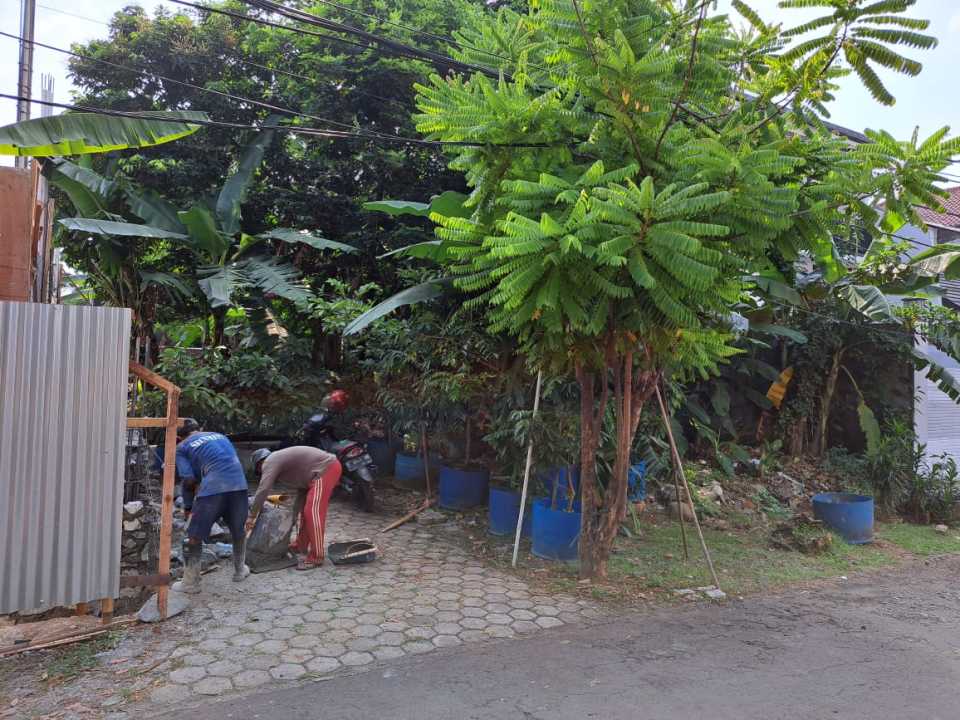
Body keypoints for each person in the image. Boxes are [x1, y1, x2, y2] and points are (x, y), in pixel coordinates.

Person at [173, 419, 250, 594]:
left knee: (193, 536)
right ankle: (240, 570)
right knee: (238, 530)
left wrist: (188, 507)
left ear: (179, 437)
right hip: (239, 485)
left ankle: (190, 583)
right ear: (199, 429)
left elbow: (189, 480)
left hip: (212, 490)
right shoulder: (220, 436)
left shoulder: (182, 447)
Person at [247, 446, 341, 570]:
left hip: (326, 469)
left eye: (260, 471)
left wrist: (252, 516)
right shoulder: (283, 462)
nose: (262, 472)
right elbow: (301, 490)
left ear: (260, 463)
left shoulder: (270, 461)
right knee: (305, 511)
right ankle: (300, 545)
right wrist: (294, 515)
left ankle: (317, 556)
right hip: (315, 475)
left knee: (313, 513)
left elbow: (263, 490)